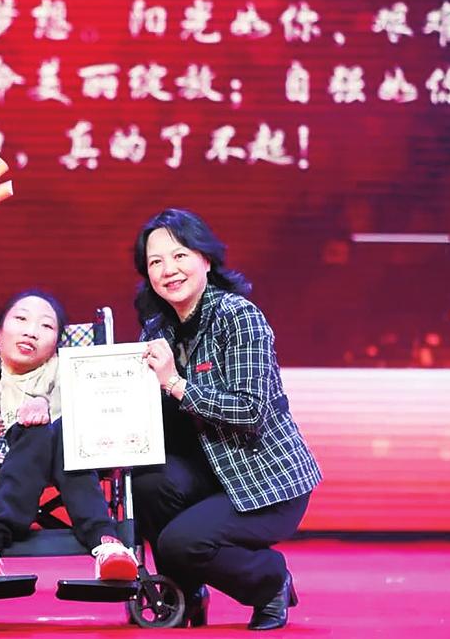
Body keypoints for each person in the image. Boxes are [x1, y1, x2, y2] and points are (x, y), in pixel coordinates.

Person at [131, 208, 322, 631]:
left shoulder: (238, 316)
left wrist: (175, 383)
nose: (168, 270)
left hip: (265, 481)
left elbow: (250, 410)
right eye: (155, 262)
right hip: (206, 477)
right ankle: (185, 595)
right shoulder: (156, 330)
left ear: (206, 259)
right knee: (146, 483)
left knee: (179, 543)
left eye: (179, 256)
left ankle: (270, 582)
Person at [0, 289, 139, 581]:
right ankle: (102, 537)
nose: (31, 332)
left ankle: (104, 546)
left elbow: (93, 426)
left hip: (63, 466)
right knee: (35, 431)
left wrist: (46, 406)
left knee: (57, 430)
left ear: (56, 344)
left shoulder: (66, 369)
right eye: (21, 319)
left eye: (46, 325)